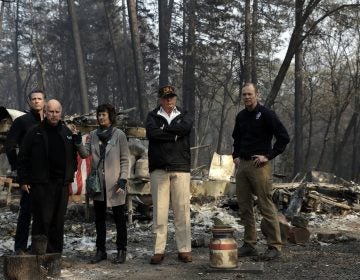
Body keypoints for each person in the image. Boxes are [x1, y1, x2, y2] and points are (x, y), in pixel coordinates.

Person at [232, 82, 290, 261]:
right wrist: (235, 155)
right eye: (244, 95)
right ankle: (250, 244)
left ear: (257, 94)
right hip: (243, 165)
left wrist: (269, 156)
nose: (247, 97)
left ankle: (275, 247)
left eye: (250, 94)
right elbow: (236, 138)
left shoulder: (266, 114)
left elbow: (283, 137)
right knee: (244, 206)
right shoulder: (241, 116)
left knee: (266, 205)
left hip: (260, 166)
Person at [17, 99, 81, 254]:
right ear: (45, 112)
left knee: (58, 221)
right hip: (41, 184)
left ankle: (54, 255)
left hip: (61, 184)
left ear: (61, 113)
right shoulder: (34, 131)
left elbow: (73, 156)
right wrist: (24, 180)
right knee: (42, 220)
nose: (54, 115)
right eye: (51, 112)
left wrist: (70, 173)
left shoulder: (66, 132)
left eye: (57, 112)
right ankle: (39, 255)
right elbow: (23, 157)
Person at [145, 85, 193, 265]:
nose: (169, 100)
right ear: (160, 99)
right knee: (160, 211)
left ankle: (185, 249)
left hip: (181, 166)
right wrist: (174, 134)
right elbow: (152, 134)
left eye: (172, 97)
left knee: (182, 209)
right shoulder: (152, 116)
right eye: (165, 98)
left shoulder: (185, 114)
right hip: (159, 168)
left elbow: (186, 129)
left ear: (175, 98)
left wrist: (164, 130)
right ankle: (158, 250)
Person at [78, 104, 130, 264]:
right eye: (99, 115)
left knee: (119, 218)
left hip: (115, 183)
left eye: (103, 115)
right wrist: (77, 141)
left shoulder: (119, 134)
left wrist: (123, 179)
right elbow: (85, 153)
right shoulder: (93, 134)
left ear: (111, 116)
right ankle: (100, 251)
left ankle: (121, 250)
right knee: (99, 218)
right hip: (98, 184)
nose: (100, 118)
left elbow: (125, 159)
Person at [5, 89, 46, 255]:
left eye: (39, 98)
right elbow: (9, 146)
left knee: (44, 212)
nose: (36, 101)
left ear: (44, 101)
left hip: (47, 175)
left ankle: (39, 247)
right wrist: (17, 169)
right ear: (29, 102)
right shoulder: (22, 121)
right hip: (28, 174)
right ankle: (20, 248)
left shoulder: (50, 120)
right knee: (26, 210)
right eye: (33, 99)